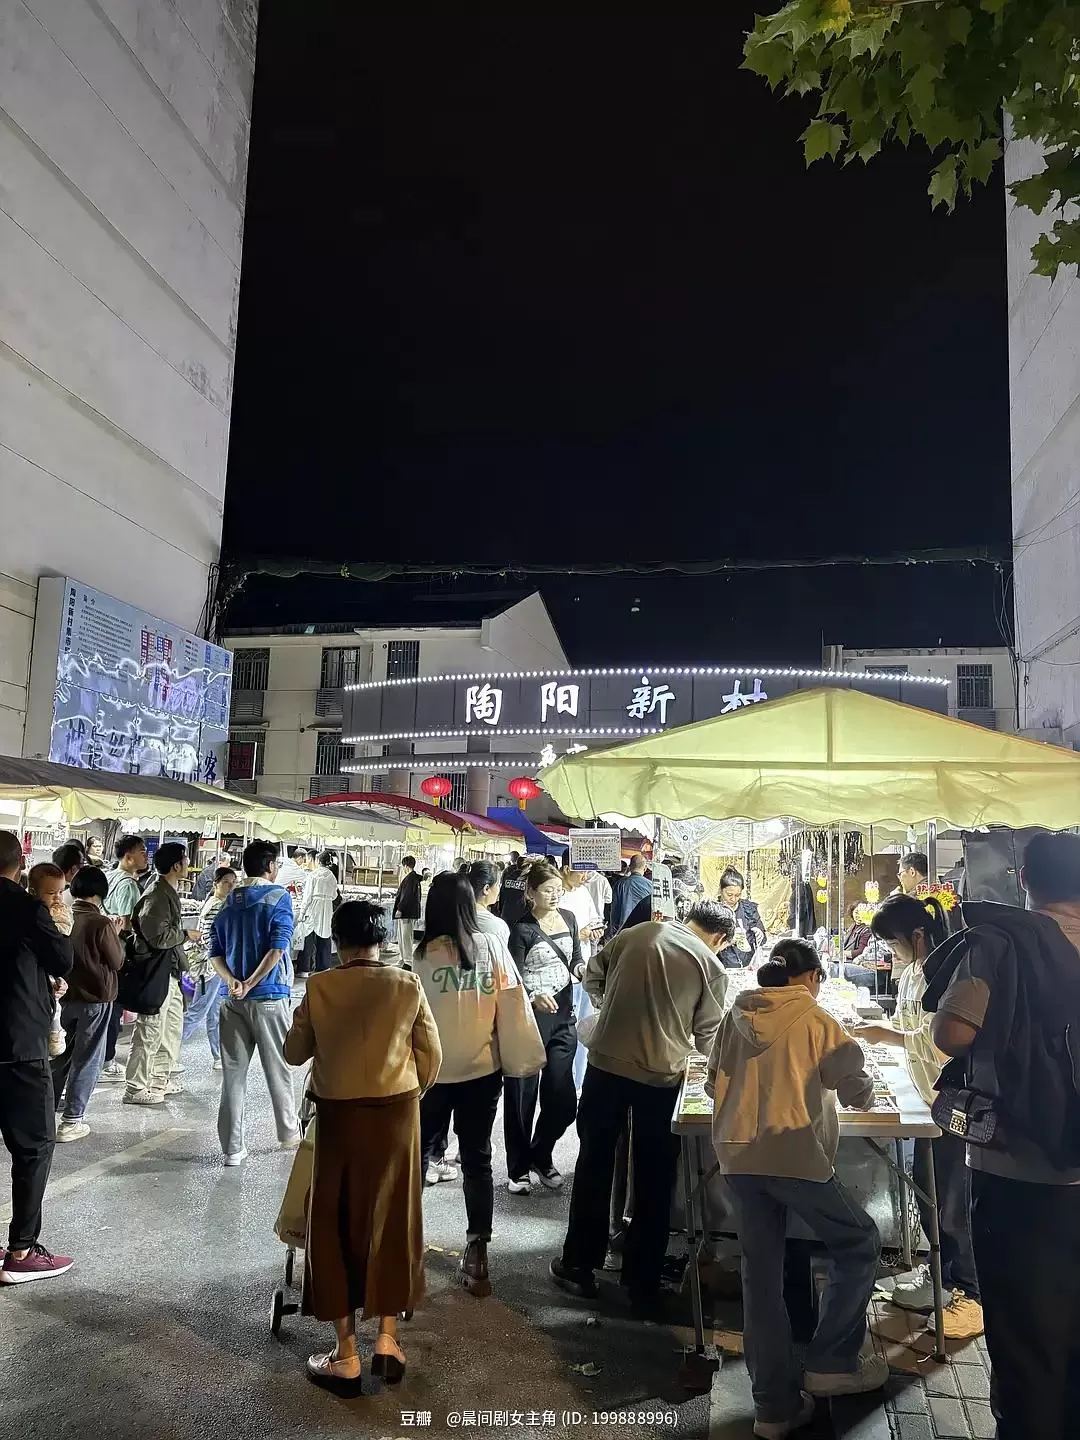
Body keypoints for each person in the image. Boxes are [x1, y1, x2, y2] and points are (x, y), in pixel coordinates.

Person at [928, 832, 1080, 1440]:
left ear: (1023, 880)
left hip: (1020, 1169)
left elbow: (953, 1034)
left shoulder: (1003, 941)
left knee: (1026, 1335)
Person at [710, 938, 886, 1431]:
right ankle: (831, 1363)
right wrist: (863, 1092)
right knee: (859, 1242)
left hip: (737, 1155)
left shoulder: (735, 1015)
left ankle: (774, 1408)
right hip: (794, 1154)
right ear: (811, 977)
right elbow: (853, 1086)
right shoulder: (815, 1018)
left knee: (760, 1277)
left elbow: (711, 1080)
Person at [284, 900, 442, 1393]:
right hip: (398, 1112)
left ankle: (346, 1354)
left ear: (338, 942)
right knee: (393, 1217)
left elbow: (293, 1053)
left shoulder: (319, 986)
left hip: (339, 1116)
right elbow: (431, 1056)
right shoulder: (407, 984)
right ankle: (388, 1341)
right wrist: (408, 1092)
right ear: (382, 941)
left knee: (334, 1222)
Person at [551, 902, 731, 1309]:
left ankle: (578, 1265)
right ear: (719, 938)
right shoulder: (710, 966)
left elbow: (591, 975)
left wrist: (611, 1006)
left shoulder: (634, 935)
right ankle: (642, 1282)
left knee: (594, 1164)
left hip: (605, 1067)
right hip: (660, 1078)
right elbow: (708, 1035)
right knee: (654, 1177)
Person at [853, 895, 982, 1339]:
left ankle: (968, 1292)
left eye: (893, 944)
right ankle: (940, 1278)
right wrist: (885, 1033)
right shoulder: (911, 970)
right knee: (931, 1193)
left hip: (952, 1102)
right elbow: (909, 1026)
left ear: (918, 934)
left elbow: (943, 1042)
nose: (892, 954)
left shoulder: (947, 972)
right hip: (927, 1100)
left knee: (953, 1203)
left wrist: (889, 1036)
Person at [413, 873, 544, 1297]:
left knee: (416, 1158)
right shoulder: (490, 946)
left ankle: (404, 1244)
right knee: (477, 1159)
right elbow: (512, 1004)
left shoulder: (420, 957)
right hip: (482, 1073)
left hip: (431, 1075)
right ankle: (477, 1251)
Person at [0, 829, 75, 1284]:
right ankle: (22, 1250)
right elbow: (62, 959)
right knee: (33, 1146)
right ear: (19, 865)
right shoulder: (27, 908)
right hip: (18, 1044)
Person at [210, 839, 299, 1165]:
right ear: (271, 866)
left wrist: (233, 981)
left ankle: (232, 1149)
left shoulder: (229, 901)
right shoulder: (279, 897)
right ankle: (288, 1133)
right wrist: (251, 982)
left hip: (231, 1000)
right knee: (278, 1068)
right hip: (269, 997)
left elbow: (215, 951)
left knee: (233, 1075)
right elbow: (277, 948)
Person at [505, 864, 583, 1194]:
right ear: (530, 893)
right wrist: (533, 995)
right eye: (547, 890)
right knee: (522, 1098)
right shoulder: (521, 929)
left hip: (563, 1017)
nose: (554, 896)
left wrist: (584, 969)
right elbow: (512, 977)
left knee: (563, 1100)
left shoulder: (569, 918)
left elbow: (575, 958)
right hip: (529, 1020)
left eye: (557, 890)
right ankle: (518, 1168)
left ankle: (541, 1152)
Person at [50, 865, 125, 1143]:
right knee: (88, 1058)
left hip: (65, 997)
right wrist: (116, 933)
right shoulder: (101, 923)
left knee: (60, 1056)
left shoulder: (64, 917)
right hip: (96, 999)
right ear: (100, 892)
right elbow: (117, 961)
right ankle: (72, 1120)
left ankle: (46, 1110)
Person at [124, 842, 193, 1106]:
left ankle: (159, 1080)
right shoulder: (156, 895)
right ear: (176, 865)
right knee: (150, 1029)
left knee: (170, 1029)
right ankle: (135, 1087)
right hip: (156, 971)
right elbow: (158, 936)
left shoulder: (167, 891)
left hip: (170, 971)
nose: (187, 864)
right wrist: (185, 934)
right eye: (185, 859)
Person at [100, 834, 149, 1081]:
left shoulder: (109, 877)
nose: (146, 855)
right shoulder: (128, 885)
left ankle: (103, 1056)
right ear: (129, 857)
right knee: (114, 1008)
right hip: (119, 952)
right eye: (142, 851)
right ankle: (107, 1060)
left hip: (103, 951)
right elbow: (130, 924)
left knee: (106, 1006)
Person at [181, 866, 237, 1070]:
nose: (230, 886)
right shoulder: (217, 906)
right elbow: (207, 938)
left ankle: (218, 1056)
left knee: (214, 1013)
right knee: (197, 1011)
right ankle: (166, 1052)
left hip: (213, 968)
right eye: (226, 882)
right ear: (215, 884)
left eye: (233, 882)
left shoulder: (219, 903)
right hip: (209, 968)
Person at [558, 865, 603, 1091]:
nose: (584, 877)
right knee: (565, 1034)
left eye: (587, 873)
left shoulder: (584, 893)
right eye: (581, 871)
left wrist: (595, 931)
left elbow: (594, 920)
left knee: (584, 1030)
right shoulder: (555, 895)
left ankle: (579, 1082)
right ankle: (563, 1082)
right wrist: (579, 934)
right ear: (567, 868)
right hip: (561, 976)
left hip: (582, 970)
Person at [27, 863, 72, 1059]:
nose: (58, 898)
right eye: (52, 893)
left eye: (61, 892)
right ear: (33, 891)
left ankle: (56, 1032)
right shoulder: (34, 916)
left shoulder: (60, 911)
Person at [297, 851, 341, 974]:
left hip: (314, 906)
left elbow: (307, 896)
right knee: (325, 936)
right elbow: (334, 895)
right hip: (327, 908)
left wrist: (302, 913)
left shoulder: (313, 875)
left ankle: (305, 968)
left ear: (318, 861)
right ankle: (324, 967)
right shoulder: (332, 876)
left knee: (308, 936)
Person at [719, 867, 767, 960]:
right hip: (721, 963)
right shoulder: (714, 910)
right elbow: (707, 946)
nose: (733, 899)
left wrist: (759, 933)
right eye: (729, 895)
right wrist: (729, 941)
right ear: (721, 890)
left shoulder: (748, 909)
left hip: (747, 963)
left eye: (738, 895)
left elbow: (763, 939)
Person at [467, 859, 509, 942]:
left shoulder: (454, 915)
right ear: (486, 889)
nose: (499, 889)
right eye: (498, 885)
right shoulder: (498, 927)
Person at [608, 855, 653, 934]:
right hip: (643, 930)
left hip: (623, 930)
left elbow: (614, 909)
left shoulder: (620, 884)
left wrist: (613, 931)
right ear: (645, 868)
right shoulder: (651, 885)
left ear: (630, 867)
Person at [393, 854, 423, 965]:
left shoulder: (410, 879)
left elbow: (407, 896)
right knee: (402, 936)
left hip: (406, 912)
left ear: (405, 866)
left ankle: (407, 960)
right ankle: (403, 958)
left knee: (406, 937)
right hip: (408, 912)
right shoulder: (413, 878)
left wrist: (400, 909)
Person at [496, 851, 531, 927]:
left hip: (506, 913)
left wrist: (501, 911)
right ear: (527, 866)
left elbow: (502, 895)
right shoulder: (528, 880)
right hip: (521, 917)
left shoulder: (508, 877)